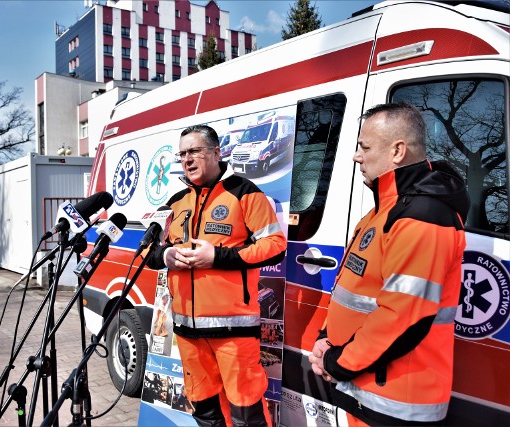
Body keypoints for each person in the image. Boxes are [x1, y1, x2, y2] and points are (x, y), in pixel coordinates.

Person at [308, 103, 469, 426]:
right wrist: (327, 338)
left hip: (396, 400)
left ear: (397, 151)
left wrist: (337, 362)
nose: (356, 156)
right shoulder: (382, 211)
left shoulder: (423, 216)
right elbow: (353, 288)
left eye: (364, 147)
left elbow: (402, 317)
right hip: (366, 386)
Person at [147, 124, 287, 426]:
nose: (187, 159)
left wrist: (218, 257)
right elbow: (149, 254)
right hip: (187, 333)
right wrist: (167, 256)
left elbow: (276, 247)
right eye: (182, 154)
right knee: (205, 412)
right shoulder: (175, 202)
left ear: (216, 152)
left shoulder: (245, 193)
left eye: (195, 151)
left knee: (247, 415)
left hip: (233, 333)